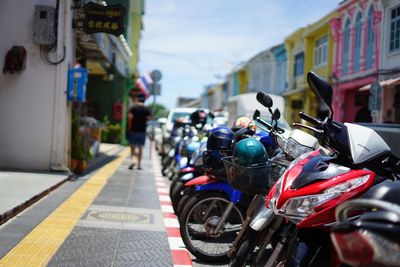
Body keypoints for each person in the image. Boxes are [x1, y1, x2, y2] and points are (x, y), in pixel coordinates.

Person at [127, 93, 151, 170]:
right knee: (140, 148)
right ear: (144, 100)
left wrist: (129, 127)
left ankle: (133, 160)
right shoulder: (146, 109)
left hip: (133, 130)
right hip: (142, 130)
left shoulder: (133, 108)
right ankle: (139, 164)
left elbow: (130, 118)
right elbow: (149, 118)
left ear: (138, 99)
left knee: (132, 147)